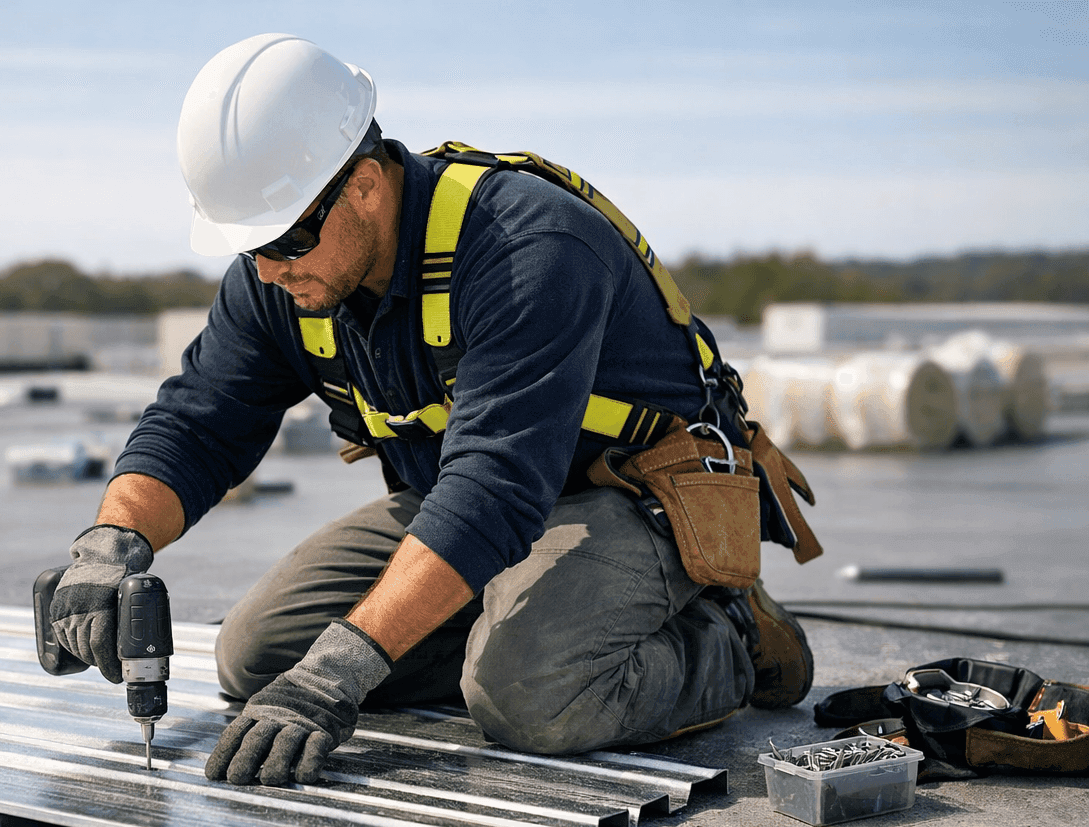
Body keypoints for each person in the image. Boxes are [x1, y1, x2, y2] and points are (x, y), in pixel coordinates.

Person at [47, 33, 818, 788]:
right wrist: (112, 544)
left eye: (284, 239)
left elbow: (493, 489)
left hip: (631, 497)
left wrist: (337, 674)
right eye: (250, 246)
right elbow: (199, 421)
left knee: (531, 696)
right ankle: (512, 633)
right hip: (470, 504)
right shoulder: (283, 276)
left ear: (364, 185)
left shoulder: (527, 246)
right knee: (256, 657)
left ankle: (727, 632)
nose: (270, 270)